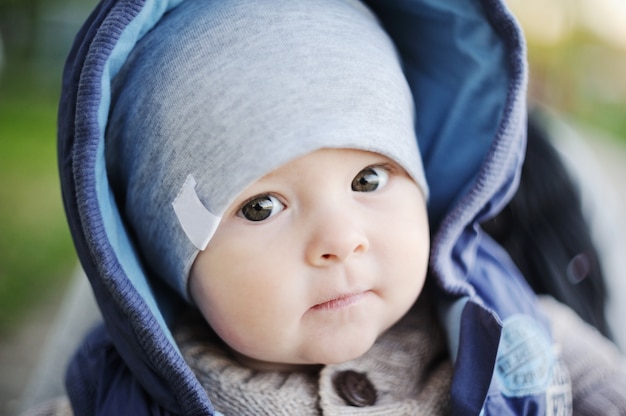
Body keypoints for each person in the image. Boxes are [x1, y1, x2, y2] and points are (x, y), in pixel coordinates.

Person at [37, 0, 626, 414]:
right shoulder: (117, 394)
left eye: (369, 178)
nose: (340, 239)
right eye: (262, 207)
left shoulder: (507, 325)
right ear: (171, 261)